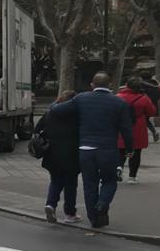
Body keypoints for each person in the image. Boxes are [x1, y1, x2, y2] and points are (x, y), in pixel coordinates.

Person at [53, 72, 133, 228]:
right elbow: (126, 130)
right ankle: (102, 203)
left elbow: (57, 111)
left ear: (92, 85)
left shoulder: (81, 98)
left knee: (90, 184)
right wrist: (130, 149)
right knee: (110, 180)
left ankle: (94, 219)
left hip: (86, 149)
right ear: (110, 85)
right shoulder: (119, 103)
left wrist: (57, 103)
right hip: (108, 149)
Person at [34, 91, 81, 223]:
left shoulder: (50, 112)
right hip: (72, 153)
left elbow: (37, 129)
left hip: (52, 153)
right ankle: (70, 213)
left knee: (55, 180)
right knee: (71, 184)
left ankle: (50, 204)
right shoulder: (76, 115)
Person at [116, 76, 156, 184]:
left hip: (121, 127)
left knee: (120, 151)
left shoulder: (118, 97)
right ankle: (132, 177)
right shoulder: (143, 98)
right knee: (136, 152)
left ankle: (118, 168)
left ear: (127, 85)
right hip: (138, 127)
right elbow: (152, 112)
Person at [141, 76, 160, 143]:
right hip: (152, 106)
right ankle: (154, 132)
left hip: (142, 105)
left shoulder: (142, 85)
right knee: (146, 120)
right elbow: (158, 97)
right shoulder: (156, 87)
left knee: (141, 120)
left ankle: (140, 135)